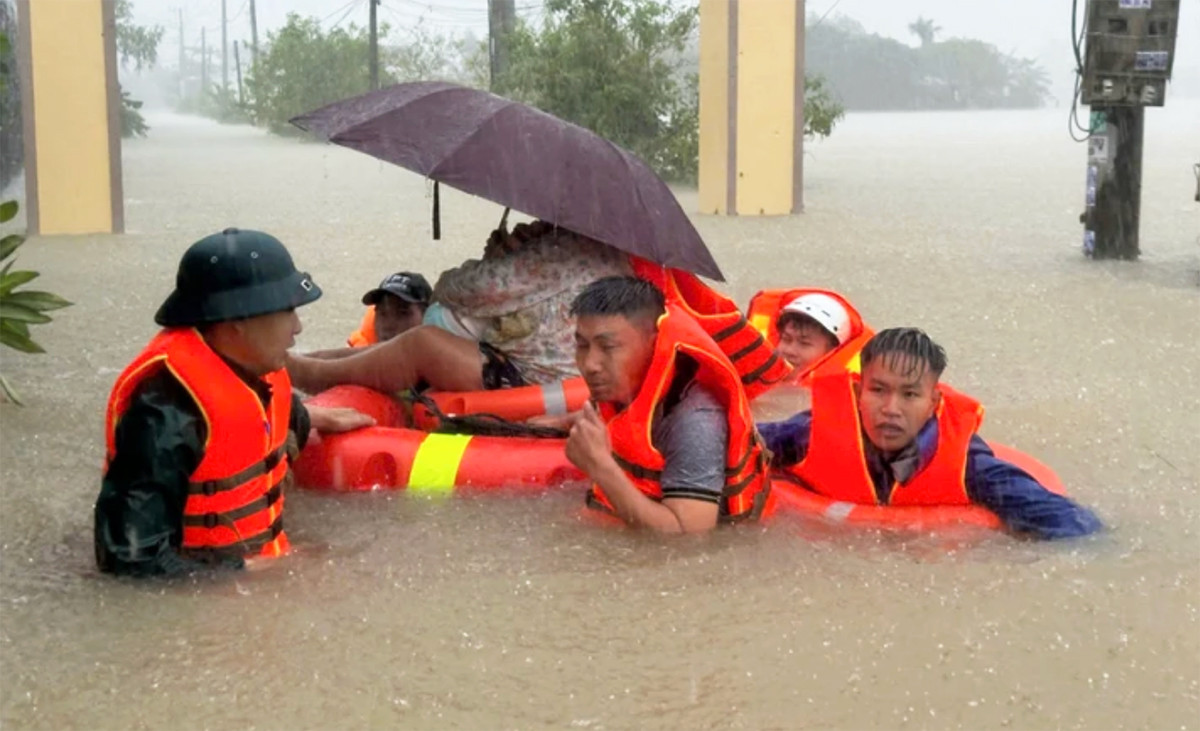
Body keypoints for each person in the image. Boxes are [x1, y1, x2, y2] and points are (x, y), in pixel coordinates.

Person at [95, 229, 375, 577]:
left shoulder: (257, 368)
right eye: (287, 310)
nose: (298, 327)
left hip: (265, 559)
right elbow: (129, 561)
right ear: (238, 321)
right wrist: (247, 570)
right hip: (205, 599)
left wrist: (312, 417)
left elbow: (257, 425)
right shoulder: (165, 414)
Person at [758, 327, 1103, 540]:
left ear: (932, 401)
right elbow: (738, 440)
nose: (891, 408)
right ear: (859, 391)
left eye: (909, 395)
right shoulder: (811, 432)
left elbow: (1066, 522)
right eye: (878, 390)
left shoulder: (966, 463)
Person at [285, 220, 632, 395]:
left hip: (533, 379)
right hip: (560, 373)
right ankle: (305, 360)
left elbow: (458, 290)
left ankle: (308, 374)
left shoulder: (559, 253)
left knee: (421, 344)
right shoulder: (612, 252)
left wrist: (498, 257)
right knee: (405, 343)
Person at [563, 276, 770, 533]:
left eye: (608, 347)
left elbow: (688, 537)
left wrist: (600, 467)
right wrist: (561, 421)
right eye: (582, 345)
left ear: (655, 344)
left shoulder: (695, 420)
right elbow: (619, 421)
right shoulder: (619, 385)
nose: (590, 363)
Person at [746, 288, 873, 380]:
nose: (789, 351)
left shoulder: (831, 399)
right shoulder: (748, 377)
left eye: (804, 344)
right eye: (786, 339)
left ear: (830, 352)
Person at [346, 271, 433, 346]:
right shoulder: (356, 362)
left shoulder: (443, 361)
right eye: (382, 313)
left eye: (402, 313)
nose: (388, 325)